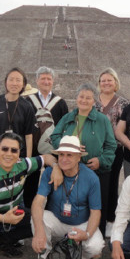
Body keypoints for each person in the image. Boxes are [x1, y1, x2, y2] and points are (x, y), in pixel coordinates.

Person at [30, 135, 105, 259]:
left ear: (78, 157)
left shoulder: (91, 178)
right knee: (38, 217)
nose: (64, 159)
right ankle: (44, 256)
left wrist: (87, 234)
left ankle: (73, 257)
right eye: (61, 154)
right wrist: (39, 232)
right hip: (57, 220)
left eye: (69, 155)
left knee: (96, 247)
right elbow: (38, 203)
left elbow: (96, 212)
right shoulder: (49, 172)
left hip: (81, 223)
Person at [51, 83, 117, 235]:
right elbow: (54, 137)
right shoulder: (68, 117)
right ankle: (68, 234)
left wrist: (101, 160)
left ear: (94, 101)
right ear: (76, 98)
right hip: (69, 169)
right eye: (81, 97)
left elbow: (111, 145)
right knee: (73, 203)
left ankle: (96, 237)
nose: (84, 100)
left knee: (97, 205)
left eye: (88, 98)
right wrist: (67, 145)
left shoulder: (102, 120)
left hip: (96, 170)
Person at [24, 66, 68, 208]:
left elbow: (64, 127)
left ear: (53, 81)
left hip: (52, 148)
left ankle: (51, 210)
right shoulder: (27, 101)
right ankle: (29, 211)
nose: (46, 81)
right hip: (32, 148)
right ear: (37, 81)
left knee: (52, 180)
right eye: (43, 78)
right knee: (30, 181)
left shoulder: (60, 103)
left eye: (49, 78)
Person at [95, 68, 129, 236]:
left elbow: (126, 127)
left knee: (112, 184)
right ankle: (94, 218)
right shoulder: (93, 101)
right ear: (99, 84)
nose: (106, 83)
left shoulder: (123, 103)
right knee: (95, 184)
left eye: (110, 80)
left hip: (115, 149)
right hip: (95, 150)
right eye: (103, 80)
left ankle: (110, 220)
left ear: (115, 83)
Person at [0, 67, 35, 161]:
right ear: (5, 82)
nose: (14, 83)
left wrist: (28, 159)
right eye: (11, 79)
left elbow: (28, 135)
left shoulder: (27, 106)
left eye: (18, 80)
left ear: (23, 84)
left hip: (18, 156)